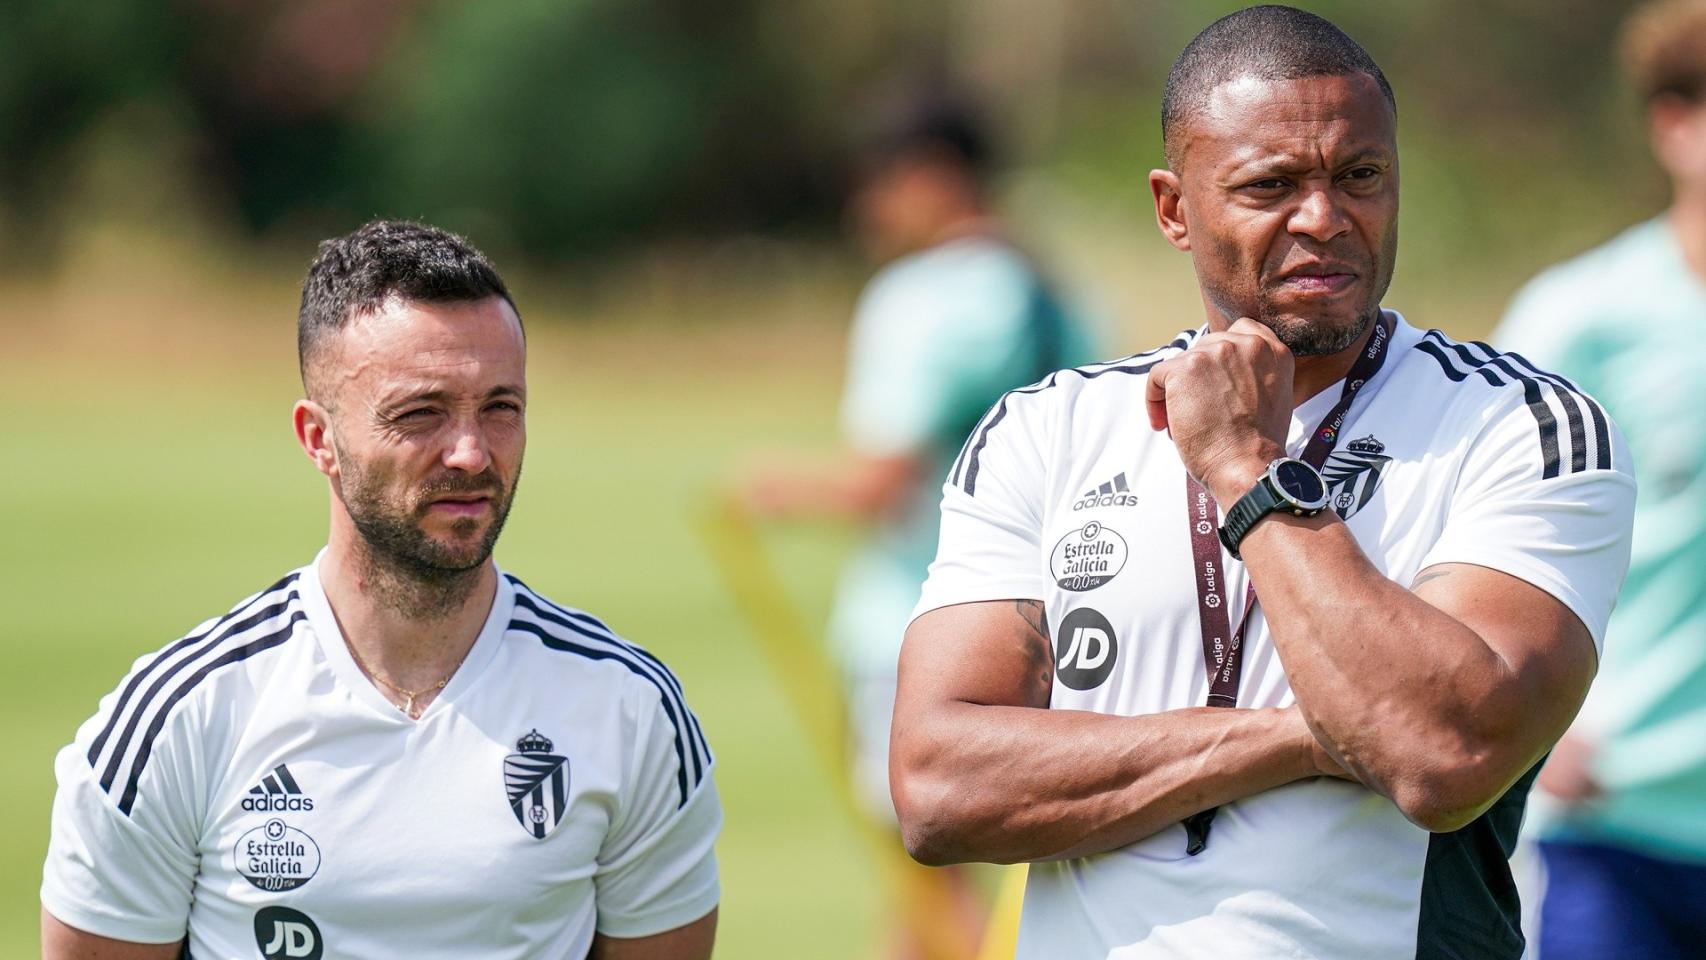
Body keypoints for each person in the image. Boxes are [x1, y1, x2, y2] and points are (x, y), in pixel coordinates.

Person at [889, 7, 1637, 960]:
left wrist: (1246, 468)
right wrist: (1307, 736)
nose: (1324, 218)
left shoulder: (1523, 428)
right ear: (1173, 208)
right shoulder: (1045, 429)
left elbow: (1441, 753)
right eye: (1271, 185)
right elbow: (939, 790)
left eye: (1360, 176)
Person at [40, 220, 720, 960]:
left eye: (501, 407)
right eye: (420, 413)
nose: (470, 452)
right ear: (317, 438)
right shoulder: (183, 717)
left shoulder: (628, 708)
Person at [743, 91, 1098, 959]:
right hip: (1074, 623)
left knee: (930, 874)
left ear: (934, 178)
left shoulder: (921, 298)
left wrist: (774, 489)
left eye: (881, 183)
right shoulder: (1060, 292)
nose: (869, 207)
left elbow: (881, 480)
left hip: (925, 623)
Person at [1492, 3, 1706, 956]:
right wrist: (1525, 722)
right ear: (1674, 122)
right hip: (1614, 823)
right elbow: (1458, 529)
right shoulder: (1583, 320)